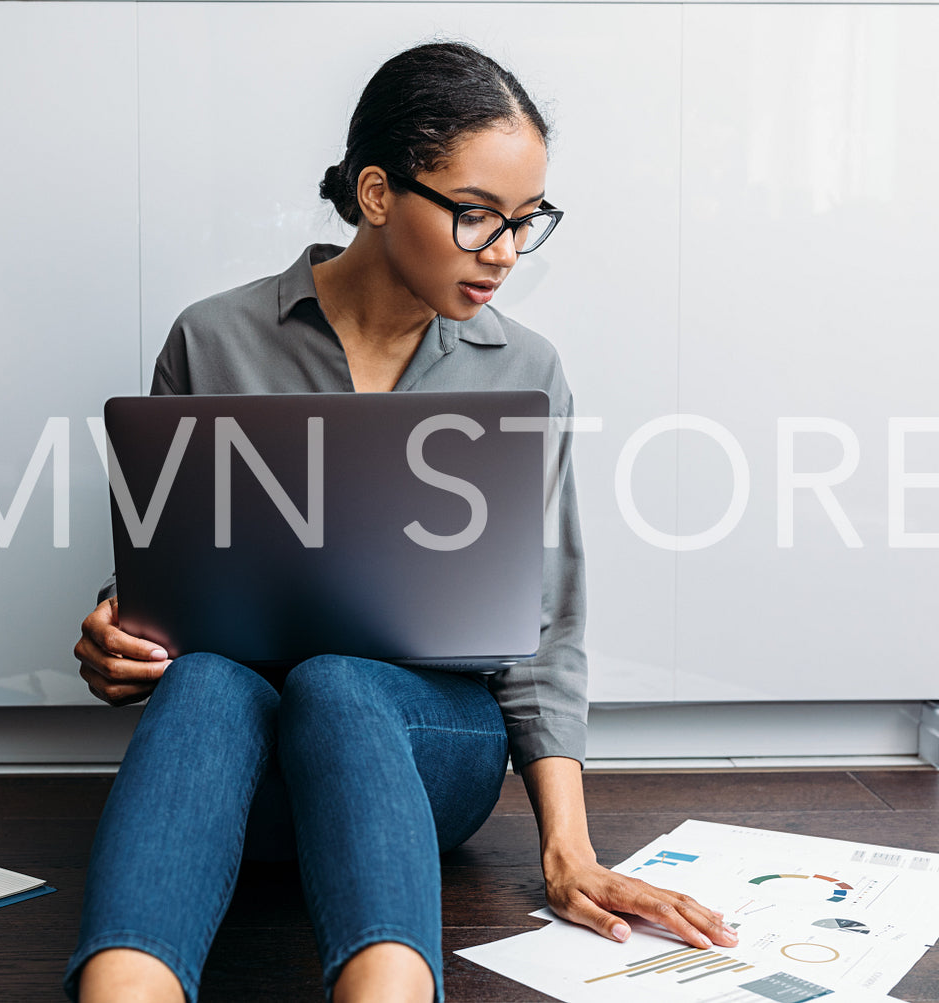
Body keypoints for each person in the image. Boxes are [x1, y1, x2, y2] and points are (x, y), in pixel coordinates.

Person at [66, 41, 737, 1003]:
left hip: (427, 763)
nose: (503, 251)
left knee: (341, 682)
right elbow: (162, 584)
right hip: (236, 773)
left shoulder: (522, 369)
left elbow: (545, 631)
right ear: (377, 193)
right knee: (209, 679)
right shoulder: (211, 338)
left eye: (524, 221)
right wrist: (118, 633)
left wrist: (570, 851)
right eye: (475, 216)